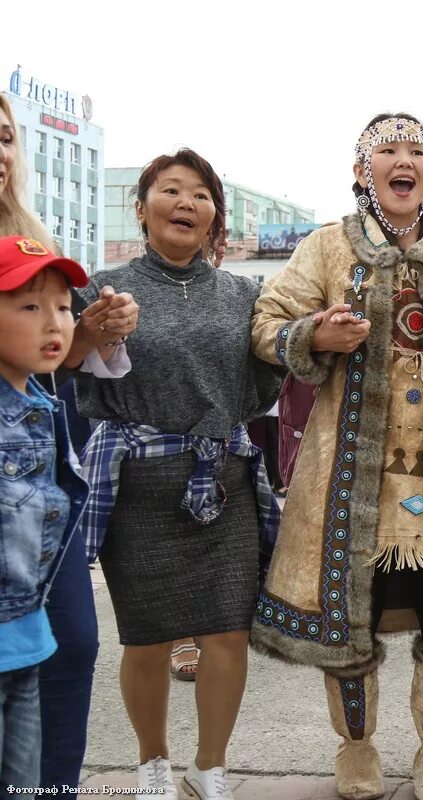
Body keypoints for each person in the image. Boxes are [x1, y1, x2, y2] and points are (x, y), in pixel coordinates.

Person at [250, 113, 423, 800]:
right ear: (361, 172)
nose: (404, 160)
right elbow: (266, 325)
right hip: (350, 480)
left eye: (418, 151)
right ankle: (356, 749)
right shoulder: (324, 248)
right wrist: (316, 334)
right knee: (353, 618)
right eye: (388, 150)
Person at [75, 148, 284, 800]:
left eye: (200, 194)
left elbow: (263, 388)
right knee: (146, 637)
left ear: (215, 215)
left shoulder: (243, 293)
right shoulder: (101, 287)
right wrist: (90, 332)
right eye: (171, 190)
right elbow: (66, 364)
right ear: (141, 208)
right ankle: (153, 764)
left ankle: (211, 767)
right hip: (136, 484)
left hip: (220, 479)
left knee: (227, 632)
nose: (187, 203)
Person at [2, 94, 136, 793]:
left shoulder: (32, 237)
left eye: (4, 138)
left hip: (43, 485)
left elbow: (53, 373)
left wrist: (93, 332)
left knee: (70, 649)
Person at [0, 236, 90, 797]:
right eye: (29, 306)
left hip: (27, 645)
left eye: (63, 306)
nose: (54, 322)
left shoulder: (43, 404)